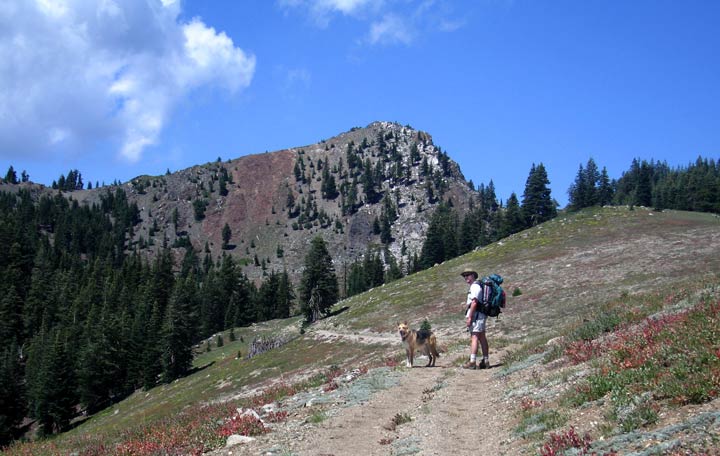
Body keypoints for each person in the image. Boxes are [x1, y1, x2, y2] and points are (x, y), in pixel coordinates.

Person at [461, 268, 490, 369]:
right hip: (480, 315)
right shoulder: (477, 286)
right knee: (482, 337)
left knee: (474, 337)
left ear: (473, 275)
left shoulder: (475, 286)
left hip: (476, 316)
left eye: (468, 275)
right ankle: (485, 361)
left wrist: (469, 317)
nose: (466, 277)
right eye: (464, 276)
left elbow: (474, 302)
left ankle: (472, 361)